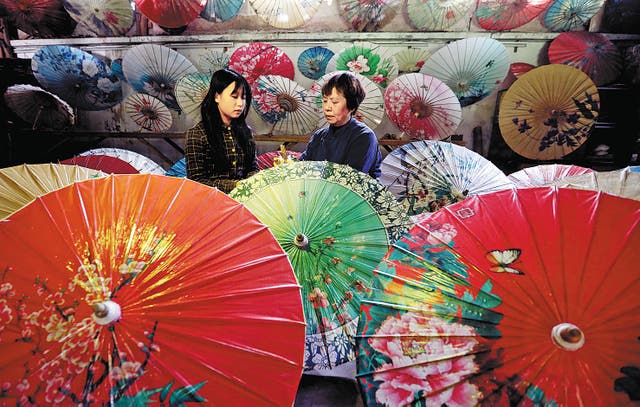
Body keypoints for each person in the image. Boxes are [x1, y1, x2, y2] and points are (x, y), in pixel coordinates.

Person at [185, 68, 258, 193]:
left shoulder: (246, 131)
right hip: (212, 202)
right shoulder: (197, 134)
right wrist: (236, 186)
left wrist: (253, 182)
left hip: (245, 198)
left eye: (243, 97)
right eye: (234, 97)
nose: (240, 103)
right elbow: (196, 181)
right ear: (217, 97)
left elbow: (253, 168)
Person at [300, 72, 382, 178]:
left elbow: (352, 179)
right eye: (325, 100)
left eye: (334, 102)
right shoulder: (319, 136)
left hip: (354, 193)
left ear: (351, 106)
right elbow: (303, 166)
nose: (327, 107)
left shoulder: (364, 136)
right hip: (321, 190)